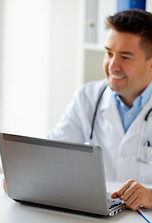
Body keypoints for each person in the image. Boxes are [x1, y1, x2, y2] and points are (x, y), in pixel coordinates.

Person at [48, 9, 152, 210]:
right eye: (109, 53)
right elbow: (52, 152)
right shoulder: (88, 97)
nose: (113, 65)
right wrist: (26, 174)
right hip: (102, 221)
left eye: (125, 57)